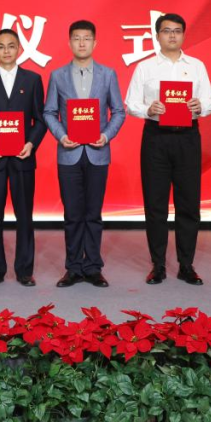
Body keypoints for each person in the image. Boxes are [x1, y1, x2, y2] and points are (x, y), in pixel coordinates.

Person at [124, 13, 211, 286]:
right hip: (156, 138)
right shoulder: (145, 67)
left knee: (189, 204)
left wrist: (201, 106)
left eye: (177, 31)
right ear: (157, 36)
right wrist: (148, 109)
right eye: (166, 31)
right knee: (155, 204)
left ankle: (186, 265)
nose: (172, 35)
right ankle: (158, 265)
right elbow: (131, 103)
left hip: (188, 137)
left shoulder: (197, 66)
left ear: (184, 35)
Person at [43, 21, 125, 288]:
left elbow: (118, 111)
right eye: (76, 38)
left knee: (93, 213)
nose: (81, 43)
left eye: (86, 38)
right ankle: (73, 267)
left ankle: (93, 267)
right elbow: (49, 112)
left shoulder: (108, 74)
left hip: (98, 153)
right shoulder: (57, 75)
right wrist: (61, 135)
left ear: (94, 43)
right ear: (69, 43)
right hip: (68, 154)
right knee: (72, 214)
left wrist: (106, 135)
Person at [0, 28, 47, 287]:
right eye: (1, 46)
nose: (6, 50)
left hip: (23, 158)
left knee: (24, 215)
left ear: (19, 49)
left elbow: (40, 119)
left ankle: (24, 270)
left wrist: (31, 143)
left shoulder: (32, 79)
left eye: (11, 45)